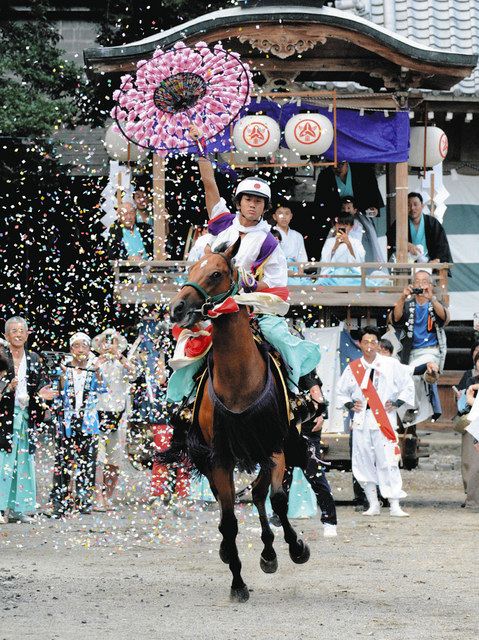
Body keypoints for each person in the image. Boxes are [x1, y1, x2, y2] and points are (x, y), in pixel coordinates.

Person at [167, 125, 321, 406]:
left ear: (266, 208)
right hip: (212, 304)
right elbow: (209, 183)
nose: (253, 205)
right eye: (249, 199)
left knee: (280, 337)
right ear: (239, 202)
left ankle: (296, 393)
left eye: (259, 202)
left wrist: (251, 283)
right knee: (187, 341)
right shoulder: (222, 224)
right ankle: (185, 404)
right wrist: (201, 147)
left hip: (250, 309)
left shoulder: (269, 242)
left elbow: (279, 288)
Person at [337, 326, 415, 517]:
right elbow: (341, 391)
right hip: (362, 419)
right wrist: (349, 404)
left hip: (384, 418)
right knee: (363, 460)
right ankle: (373, 503)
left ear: (378, 344)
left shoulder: (390, 364)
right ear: (360, 344)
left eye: (373, 342)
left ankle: (394, 503)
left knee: (388, 460)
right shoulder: (353, 367)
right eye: (366, 342)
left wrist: (397, 402)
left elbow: (407, 384)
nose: (370, 346)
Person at [0, 317, 56, 524]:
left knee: (23, 462)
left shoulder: (33, 358)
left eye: (22, 330)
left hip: (25, 416)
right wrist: (7, 387)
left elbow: (42, 383)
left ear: (27, 334)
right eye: (13, 331)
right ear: (6, 335)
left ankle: (18, 508)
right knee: (3, 462)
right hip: (4, 415)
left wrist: (43, 393)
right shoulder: (1, 357)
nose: (18, 334)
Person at [50, 333, 106, 517]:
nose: (80, 349)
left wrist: (97, 370)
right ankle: (60, 502)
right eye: (76, 346)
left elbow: (102, 388)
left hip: (88, 423)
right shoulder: (63, 368)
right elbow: (57, 392)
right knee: (63, 462)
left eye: (84, 346)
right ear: (71, 349)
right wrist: (63, 376)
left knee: (87, 463)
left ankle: (84, 501)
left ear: (89, 349)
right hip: (66, 421)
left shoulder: (93, 368)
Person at [390, 270, 449, 425]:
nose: (421, 284)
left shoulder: (434, 303)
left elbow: (444, 318)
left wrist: (433, 299)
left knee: (414, 375)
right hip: (410, 353)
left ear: (430, 285)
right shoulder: (408, 304)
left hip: (431, 351)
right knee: (402, 379)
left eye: (424, 281)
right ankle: (429, 376)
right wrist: (402, 297)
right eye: (417, 281)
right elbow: (395, 319)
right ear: (412, 284)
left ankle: (413, 407)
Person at [91, 328, 138, 511]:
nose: (109, 345)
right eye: (106, 341)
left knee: (115, 461)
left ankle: (108, 495)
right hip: (97, 415)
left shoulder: (124, 363)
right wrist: (97, 365)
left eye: (113, 341)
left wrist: (121, 358)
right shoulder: (94, 362)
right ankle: (98, 496)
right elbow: (92, 381)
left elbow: (134, 375)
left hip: (119, 418)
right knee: (99, 460)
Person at [313, 161, 384, 248]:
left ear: (346, 163)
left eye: (340, 165)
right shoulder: (325, 175)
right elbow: (321, 202)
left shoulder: (362, 170)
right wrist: (333, 220)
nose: (337, 168)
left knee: (364, 238)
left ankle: (359, 259)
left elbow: (372, 192)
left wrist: (374, 208)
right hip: (338, 217)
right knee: (338, 241)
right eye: (333, 166)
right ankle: (339, 256)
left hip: (359, 214)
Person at [387, 192, 453, 265]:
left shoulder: (432, 223)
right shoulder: (400, 223)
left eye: (415, 204)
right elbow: (390, 239)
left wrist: (437, 260)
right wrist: (405, 244)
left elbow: (442, 245)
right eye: (408, 205)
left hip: (429, 263)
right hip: (407, 264)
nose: (412, 208)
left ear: (422, 206)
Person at [455, 342, 479, 509]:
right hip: (473, 423)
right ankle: (472, 499)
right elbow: (463, 404)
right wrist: (462, 398)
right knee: (471, 463)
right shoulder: (470, 379)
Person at [319, 212, 365, 286]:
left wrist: (349, 244)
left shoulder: (356, 242)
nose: (342, 228)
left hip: (351, 276)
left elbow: (360, 261)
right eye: (339, 225)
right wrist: (335, 246)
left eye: (345, 225)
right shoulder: (330, 241)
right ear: (335, 226)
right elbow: (324, 261)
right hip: (332, 276)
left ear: (351, 227)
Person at [339, 196, 386, 264]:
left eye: (349, 208)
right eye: (343, 208)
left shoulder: (357, 224)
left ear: (355, 210)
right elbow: (339, 239)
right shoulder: (339, 223)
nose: (346, 211)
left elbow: (357, 240)